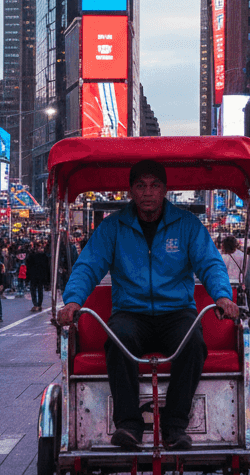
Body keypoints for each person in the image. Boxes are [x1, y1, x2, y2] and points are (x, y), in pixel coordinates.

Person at [57, 159, 237, 451]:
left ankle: (175, 425)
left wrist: (222, 296)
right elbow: (88, 265)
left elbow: (210, 263)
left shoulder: (186, 224)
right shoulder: (113, 227)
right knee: (117, 339)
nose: (148, 192)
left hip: (177, 312)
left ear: (165, 189)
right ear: (130, 191)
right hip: (131, 312)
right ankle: (128, 424)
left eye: (155, 185)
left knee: (193, 342)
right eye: (141, 186)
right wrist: (73, 301)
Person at [26, 241, 50, 313]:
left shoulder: (34, 256)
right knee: (37, 290)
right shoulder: (42, 256)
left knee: (36, 290)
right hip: (38, 276)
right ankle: (37, 304)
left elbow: (28, 267)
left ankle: (37, 304)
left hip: (36, 276)